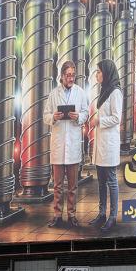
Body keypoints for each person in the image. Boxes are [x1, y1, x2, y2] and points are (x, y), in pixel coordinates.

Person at [44, 60, 88, 228]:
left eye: (73, 75)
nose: (71, 78)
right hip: (58, 144)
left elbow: (86, 113)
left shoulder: (80, 92)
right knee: (57, 185)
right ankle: (57, 214)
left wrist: (79, 117)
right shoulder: (53, 94)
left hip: (73, 143)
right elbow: (45, 115)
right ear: (61, 76)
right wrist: (53, 117)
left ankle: (72, 214)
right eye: (68, 75)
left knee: (72, 185)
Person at [90, 59, 122, 232]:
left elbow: (117, 118)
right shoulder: (104, 90)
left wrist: (99, 120)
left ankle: (112, 216)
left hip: (109, 143)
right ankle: (101, 213)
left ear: (107, 73)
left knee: (111, 181)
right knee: (101, 182)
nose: (97, 74)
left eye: (99, 71)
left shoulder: (115, 92)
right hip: (100, 142)